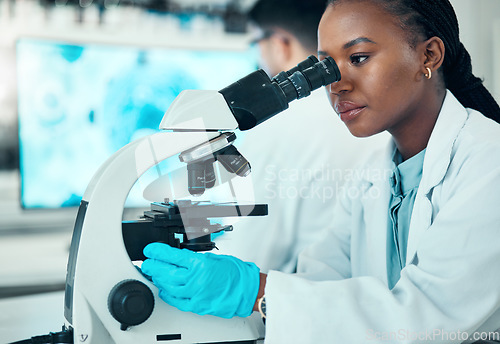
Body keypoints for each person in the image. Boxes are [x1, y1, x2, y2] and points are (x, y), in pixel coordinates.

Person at [141, 0, 500, 342]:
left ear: (428, 55)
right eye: (327, 67)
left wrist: (254, 291)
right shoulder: (373, 173)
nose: (336, 84)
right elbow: (320, 279)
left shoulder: (488, 162)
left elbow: (423, 318)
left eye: (358, 58)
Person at [212, 0, 388, 274]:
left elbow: (251, 255)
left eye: (256, 42)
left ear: (280, 43)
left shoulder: (278, 127)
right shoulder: (371, 115)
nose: (257, 56)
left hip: (304, 298)